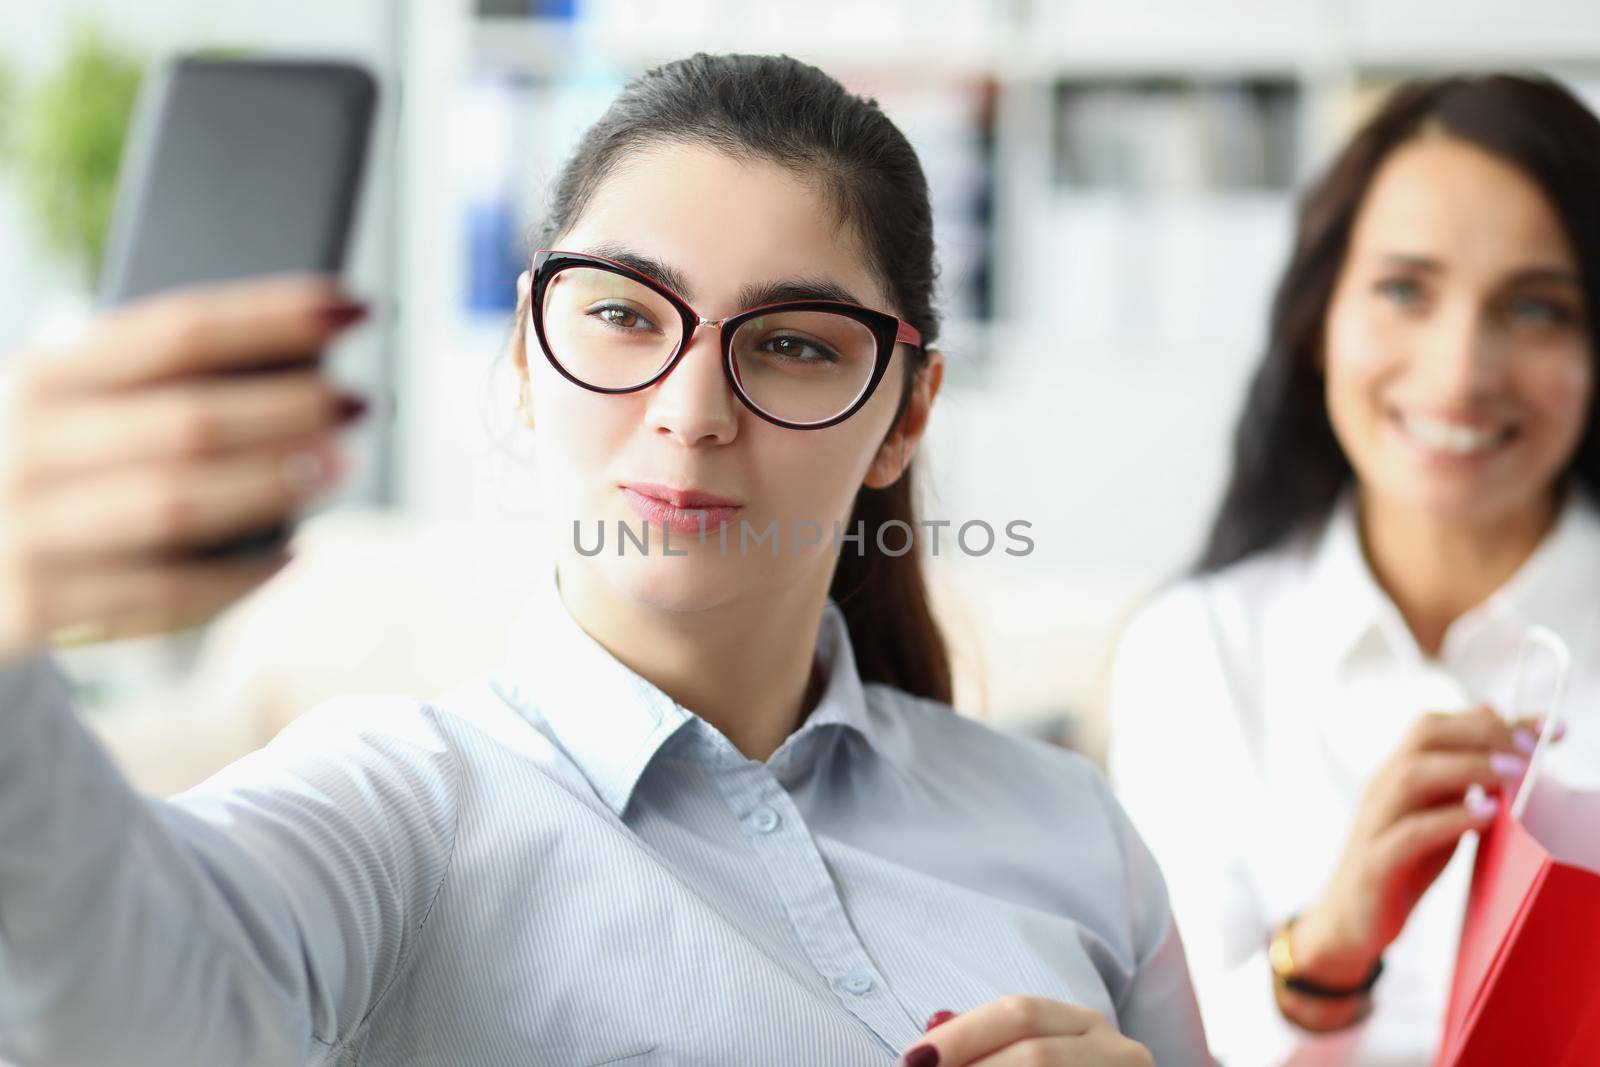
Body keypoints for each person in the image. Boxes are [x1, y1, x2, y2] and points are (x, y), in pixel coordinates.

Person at [0, 54, 1208, 1066]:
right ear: (529, 358)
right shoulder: (401, 804)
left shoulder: (1071, 826)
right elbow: (125, 1006)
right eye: (625, 314)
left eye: (790, 342)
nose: (691, 411)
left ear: (903, 414)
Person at [1106, 73, 1600, 1066]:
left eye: (1538, 307)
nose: (1460, 369)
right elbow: (1157, 1053)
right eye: (1404, 289)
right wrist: (1330, 948)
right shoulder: (1197, 651)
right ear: (1317, 321)